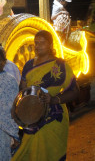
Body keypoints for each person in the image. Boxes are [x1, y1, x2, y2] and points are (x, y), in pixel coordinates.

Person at [11, 30, 79, 161]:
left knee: (50, 154)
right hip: (31, 118)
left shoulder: (60, 65)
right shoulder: (29, 65)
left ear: (50, 44)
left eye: (42, 43)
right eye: (36, 43)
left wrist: (54, 99)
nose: (38, 46)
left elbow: (75, 91)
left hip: (53, 118)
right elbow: (23, 90)